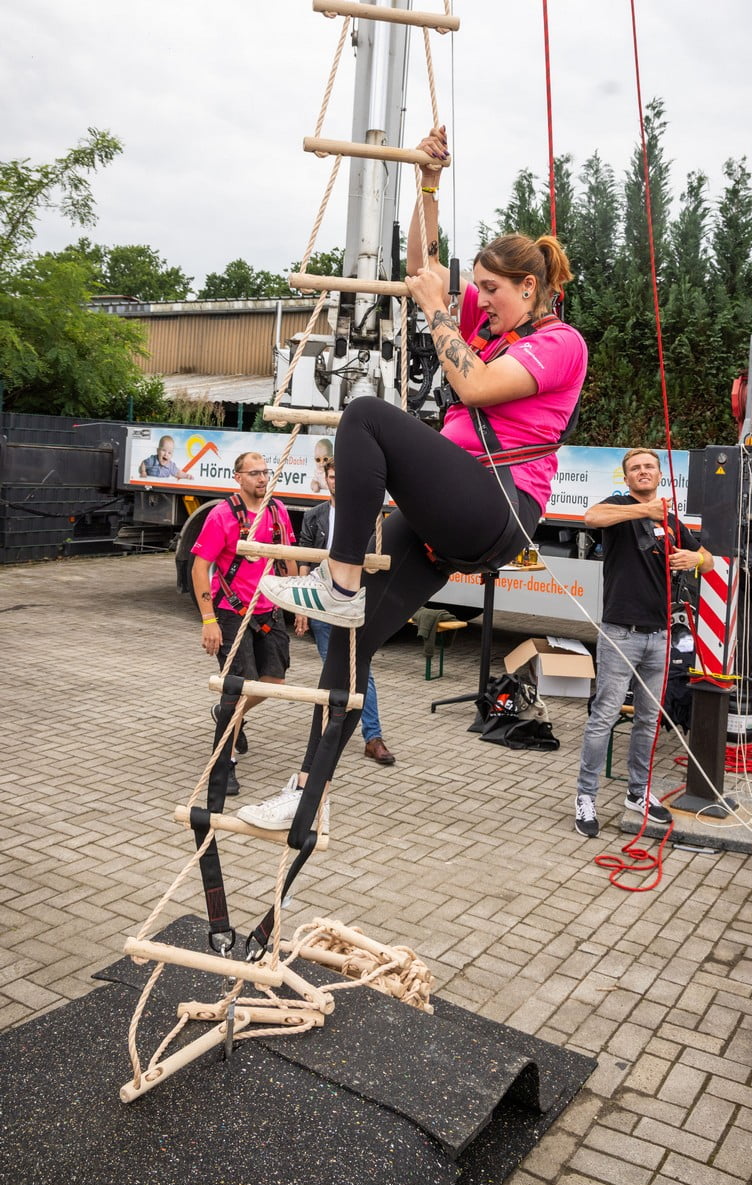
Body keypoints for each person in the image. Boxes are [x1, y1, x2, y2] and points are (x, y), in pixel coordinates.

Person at [237, 122, 588, 831]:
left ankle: (337, 583)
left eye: (491, 289)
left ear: (530, 287)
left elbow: (476, 385)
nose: (478, 298)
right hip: (447, 518)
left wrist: (434, 311)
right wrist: (429, 185)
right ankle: (307, 795)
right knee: (352, 647)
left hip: (497, 505)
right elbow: (422, 266)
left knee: (366, 415)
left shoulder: (560, 342)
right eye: (476, 288)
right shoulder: (486, 327)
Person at [573, 449, 713, 838]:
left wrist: (694, 559)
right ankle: (585, 797)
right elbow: (591, 518)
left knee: (649, 719)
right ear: (627, 478)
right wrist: (645, 511)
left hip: (661, 634)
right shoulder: (619, 507)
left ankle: (638, 793)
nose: (643, 471)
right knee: (604, 717)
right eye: (635, 468)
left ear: (659, 474)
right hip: (621, 633)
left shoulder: (671, 521)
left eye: (649, 466)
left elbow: (708, 559)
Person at [190, 452, 296, 796]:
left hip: (268, 610)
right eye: (254, 473)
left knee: (273, 680)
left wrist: (298, 605)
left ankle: (228, 715)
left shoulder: (278, 512)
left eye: (265, 472)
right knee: (237, 688)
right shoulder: (222, 515)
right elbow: (199, 568)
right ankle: (225, 764)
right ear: (237, 477)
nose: (262, 478)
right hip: (231, 611)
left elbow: (288, 558)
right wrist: (208, 620)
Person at [296, 459, 395, 765]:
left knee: (361, 668)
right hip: (322, 602)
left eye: (342, 476)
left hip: (355, 602)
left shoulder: (367, 516)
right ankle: (329, 731)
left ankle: (373, 737)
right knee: (333, 669)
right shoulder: (314, 516)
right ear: (325, 479)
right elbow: (304, 559)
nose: (337, 481)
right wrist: (301, 608)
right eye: (332, 476)